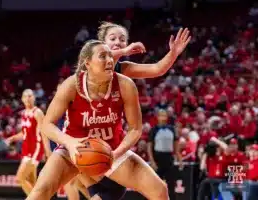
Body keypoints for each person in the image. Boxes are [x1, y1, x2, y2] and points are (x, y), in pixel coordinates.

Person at [26, 40, 169, 200]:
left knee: (159, 190)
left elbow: (135, 129)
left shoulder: (125, 85)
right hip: (76, 147)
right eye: (103, 56)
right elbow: (47, 124)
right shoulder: (72, 85)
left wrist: (116, 153)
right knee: (40, 192)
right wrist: (70, 143)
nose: (109, 60)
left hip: (112, 148)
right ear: (87, 63)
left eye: (110, 56)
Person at [66, 21, 191, 200]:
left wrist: (173, 53)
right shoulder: (88, 67)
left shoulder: (123, 70)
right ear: (100, 43)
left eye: (122, 39)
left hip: (112, 146)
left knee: (153, 191)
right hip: (84, 145)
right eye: (113, 38)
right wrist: (124, 51)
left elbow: (157, 69)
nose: (118, 41)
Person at [6, 89, 51, 196]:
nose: (28, 98)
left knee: (19, 178)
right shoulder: (24, 113)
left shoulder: (38, 112)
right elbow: (24, 133)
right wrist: (12, 138)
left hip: (35, 149)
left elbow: (44, 132)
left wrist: (47, 151)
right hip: (26, 149)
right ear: (22, 99)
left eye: (30, 96)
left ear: (34, 98)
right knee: (32, 182)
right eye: (26, 96)